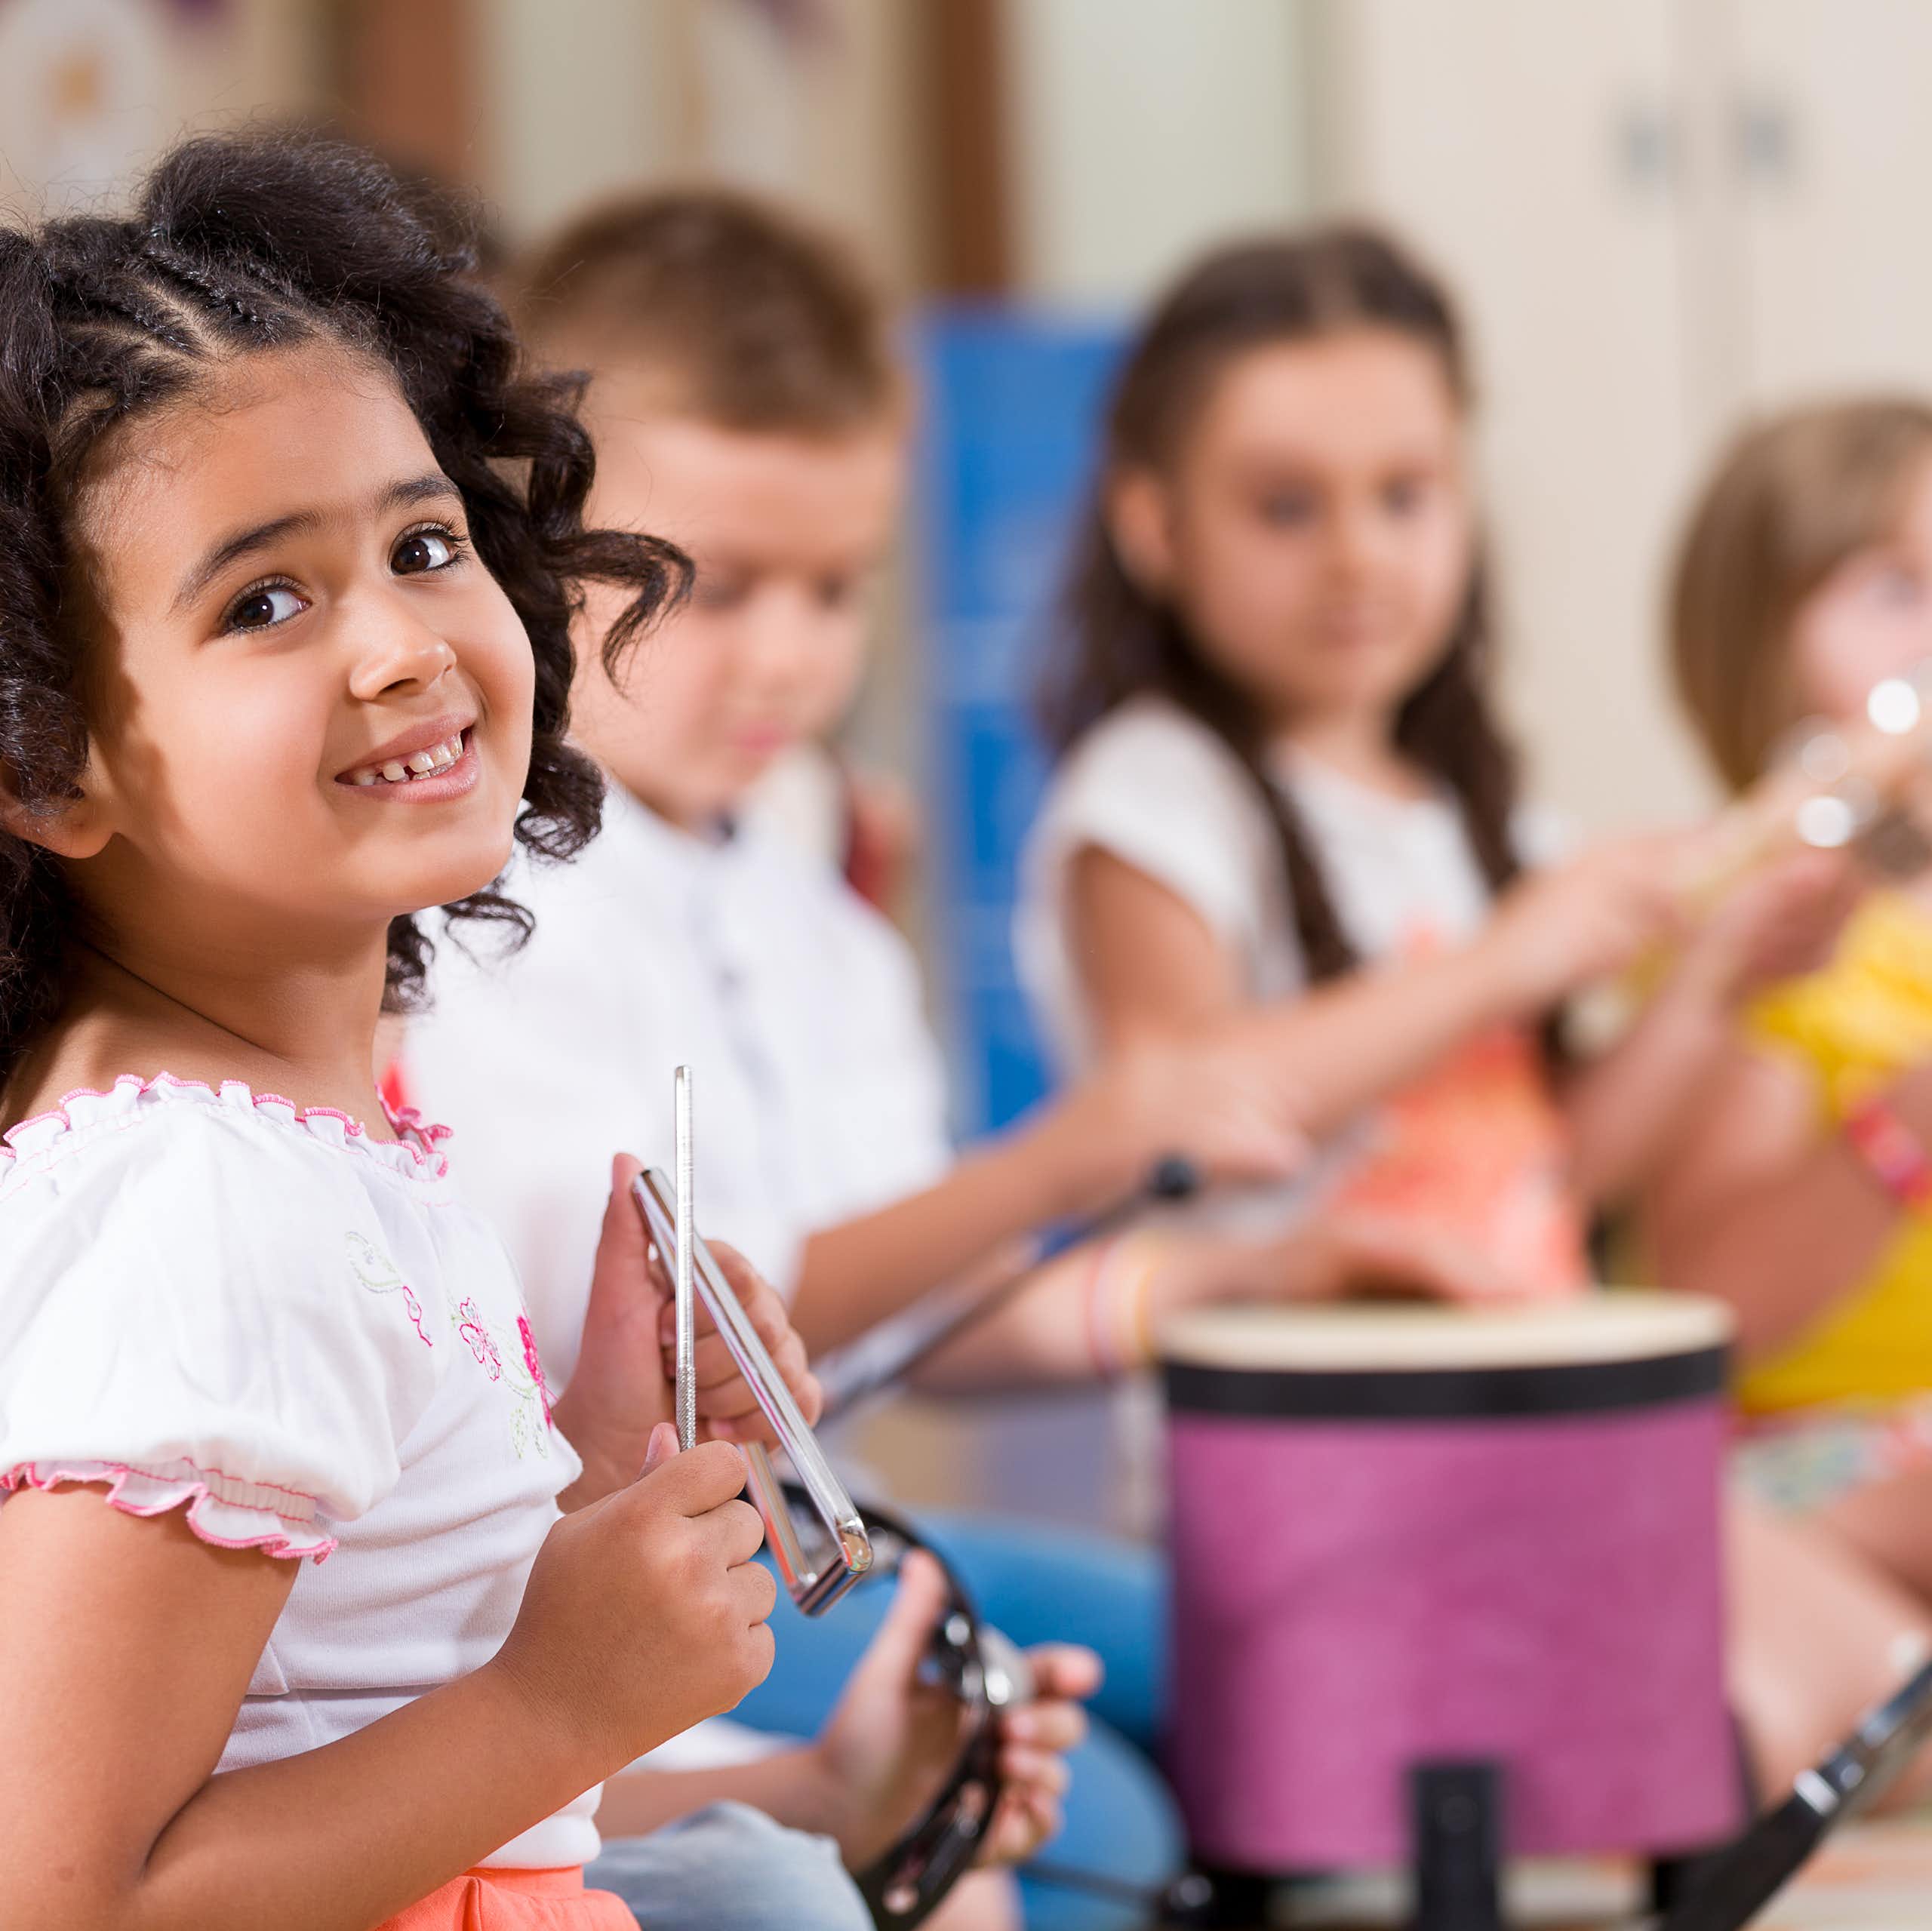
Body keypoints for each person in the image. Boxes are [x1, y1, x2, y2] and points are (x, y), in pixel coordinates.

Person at [0, 134, 1084, 1931]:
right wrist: (554, 1695)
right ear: (51, 765)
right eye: (266, 598)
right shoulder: (204, 1208)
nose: (405, 644)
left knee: (779, 1874)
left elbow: (335, 1708)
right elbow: (61, 1897)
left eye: (423, 544)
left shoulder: (294, 1147)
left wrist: (598, 1490)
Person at [404, 191, 1494, 1931]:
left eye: (833, 588)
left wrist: (1224, 1277)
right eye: (711, 585)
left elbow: (915, 1304)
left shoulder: (806, 872)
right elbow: (735, 1336)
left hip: (830, 1534)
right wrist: (1075, 1151)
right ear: (533, 538)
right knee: (1115, 1818)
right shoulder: (500, 905)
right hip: (649, 1574)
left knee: (1259, 1677)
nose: (787, 655)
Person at [1016, 224, 1849, 1291]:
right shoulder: (1151, 796)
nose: (1356, 555)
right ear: (1154, 525)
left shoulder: (1476, 812)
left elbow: (1564, 1171)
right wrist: (1505, 961)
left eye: (1404, 496)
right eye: (1285, 507)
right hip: (1282, 1442)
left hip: (1508, 1424)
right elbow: (1169, 1110)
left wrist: (1714, 975)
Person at [1649, 398, 1932, 1797]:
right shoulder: (1766, 942)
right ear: (1758, 651)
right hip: (1802, 1469)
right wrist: (1910, 1122)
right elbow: (1721, 1311)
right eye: (1895, 591)